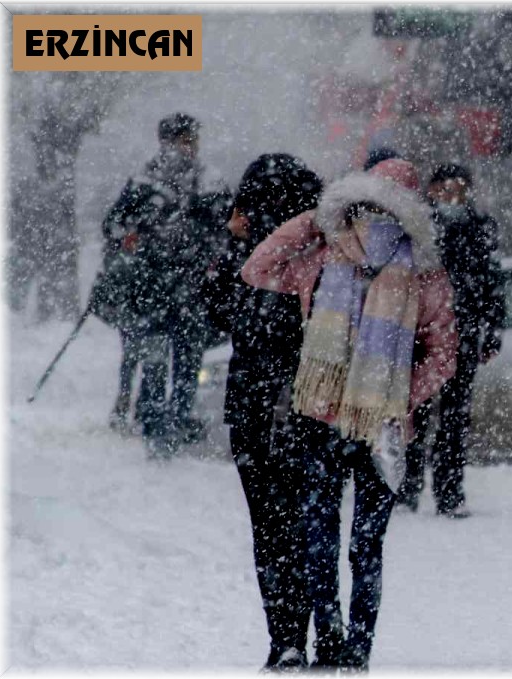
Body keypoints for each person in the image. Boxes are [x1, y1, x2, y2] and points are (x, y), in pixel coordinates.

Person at [242, 158, 457, 670]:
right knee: (367, 544)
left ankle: (331, 639)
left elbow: (257, 266)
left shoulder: (323, 256)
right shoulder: (426, 274)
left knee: (320, 535)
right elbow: (444, 355)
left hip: (320, 418)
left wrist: (315, 220)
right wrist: (398, 397)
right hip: (384, 429)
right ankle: (357, 648)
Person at [202, 154, 322, 670]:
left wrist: (230, 240)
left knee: (270, 529)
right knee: (308, 523)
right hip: (308, 403)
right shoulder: (319, 251)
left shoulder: (250, 259)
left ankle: (285, 635)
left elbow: (212, 310)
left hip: (254, 406)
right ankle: (319, 630)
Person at [101, 113, 232, 455]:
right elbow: (113, 226)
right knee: (171, 360)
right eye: (186, 140)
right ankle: (164, 422)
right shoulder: (158, 182)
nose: (189, 147)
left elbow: (225, 231)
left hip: (172, 290)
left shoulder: (160, 181)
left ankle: (162, 422)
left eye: (191, 140)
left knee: (175, 360)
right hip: (167, 289)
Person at [396, 163, 505, 518]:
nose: (452, 197)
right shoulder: (418, 228)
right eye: (445, 190)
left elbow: (493, 281)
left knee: (455, 418)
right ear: (432, 191)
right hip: (422, 336)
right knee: (416, 413)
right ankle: (409, 486)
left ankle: (450, 491)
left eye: (459, 190)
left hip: (463, 333)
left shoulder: (480, 228)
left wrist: (492, 332)